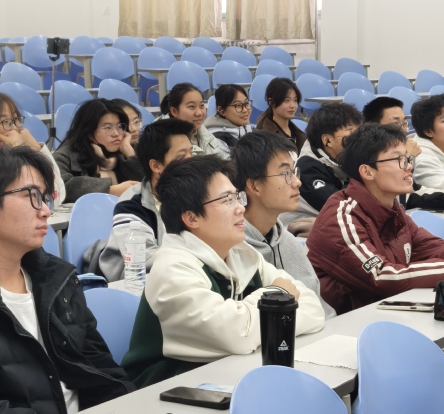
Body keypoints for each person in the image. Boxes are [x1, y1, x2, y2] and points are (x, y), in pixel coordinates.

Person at [122, 155, 324, 388]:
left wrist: (255, 323)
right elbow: (237, 334)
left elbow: (313, 308)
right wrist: (277, 296)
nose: (241, 208)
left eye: (237, 197)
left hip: (230, 376)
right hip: (167, 389)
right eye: (227, 200)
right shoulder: (172, 268)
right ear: (191, 217)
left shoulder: (241, 253)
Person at [0, 144, 133, 413]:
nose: (46, 211)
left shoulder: (57, 279)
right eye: (32, 196)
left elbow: (103, 370)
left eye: (45, 198)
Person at [306, 124, 444, 314]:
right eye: (398, 159)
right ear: (367, 171)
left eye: (408, 158)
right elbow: (381, 275)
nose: (409, 167)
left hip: (385, 310)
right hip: (345, 323)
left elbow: (432, 249)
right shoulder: (342, 217)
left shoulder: (393, 209)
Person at [232, 130, 337, 318]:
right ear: (254, 186)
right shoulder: (233, 250)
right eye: (285, 173)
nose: (297, 182)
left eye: (294, 172)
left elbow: (321, 309)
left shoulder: (288, 242)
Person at [99, 118, 195, 281]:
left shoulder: (198, 194)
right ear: (155, 166)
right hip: (142, 284)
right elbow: (145, 258)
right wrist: (199, 260)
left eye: (191, 153)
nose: (191, 162)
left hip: (187, 276)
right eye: (181, 157)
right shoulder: (131, 204)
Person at [363, 96, 444, 210]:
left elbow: (412, 196)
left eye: (404, 123)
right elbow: (388, 200)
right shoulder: (368, 159)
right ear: (374, 127)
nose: (404, 130)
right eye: (395, 123)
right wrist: (407, 156)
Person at [0, 92, 66, 203]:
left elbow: (56, 196)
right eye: (5, 122)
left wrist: (36, 148)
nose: (15, 128)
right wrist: (22, 153)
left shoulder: (9, 158)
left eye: (15, 120)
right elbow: (46, 200)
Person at [280, 102, 361, 227]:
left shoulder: (339, 158)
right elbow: (342, 207)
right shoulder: (307, 169)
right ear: (327, 140)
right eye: (350, 134)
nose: (357, 140)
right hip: (298, 231)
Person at [53, 98, 143, 202]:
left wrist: (130, 155)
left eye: (120, 126)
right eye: (108, 128)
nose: (116, 133)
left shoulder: (125, 151)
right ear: (89, 131)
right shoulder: (64, 157)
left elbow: (148, 188)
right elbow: (62, 188)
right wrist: (111, 190)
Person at [160, 83, 228, 159]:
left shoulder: (202, 131)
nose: (199, 113)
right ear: (174, 111)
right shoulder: (163, 140)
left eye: (202, 106)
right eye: (191, 106)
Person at [256, 77, 306, 154]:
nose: (292, 105)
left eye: (295, 100)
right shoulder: (264, 135)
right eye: (287, 100)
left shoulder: (298, 133)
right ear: (271, 102)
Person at [204, 84, 254, 157]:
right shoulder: (215, 139)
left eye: (246, 103)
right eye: (238, 105)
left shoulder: (251, 130)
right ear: (221, 110)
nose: (245, 110)